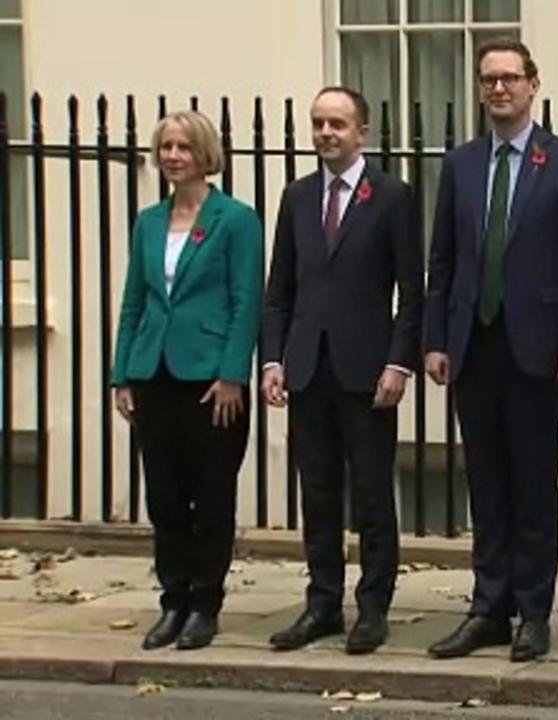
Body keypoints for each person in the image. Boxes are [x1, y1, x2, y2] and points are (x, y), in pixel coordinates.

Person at [423, 38, 558, 663]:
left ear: (533, 84)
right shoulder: (463, 163)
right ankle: (487, 606)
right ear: (479, 89)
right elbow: (442, 258)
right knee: (487, 483)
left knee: (532, 482)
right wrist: (436, 339)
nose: (499, 88)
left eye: (510, 78)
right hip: (473, 343)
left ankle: (533, 610)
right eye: (489, 79)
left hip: (539, 347)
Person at [261, 86, 424, 656]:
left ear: (363, 132)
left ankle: (374, 605)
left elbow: (412, 290)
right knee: (320, 492)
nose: (326, 133)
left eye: (338, 124)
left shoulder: (392, 197)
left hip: (367, 370)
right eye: (318, 124)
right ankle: (322, 603)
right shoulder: (298, 197)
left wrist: (399, 362)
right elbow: (279, 289)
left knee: (373, 494)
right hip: (308, 367)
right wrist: (274, 359)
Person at [112, 110, 263, 651]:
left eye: (183, 146)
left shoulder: (236, 220)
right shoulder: (149, 222)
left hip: (209, 380)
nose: (173, 156)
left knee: (212, 495)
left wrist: (231, 375)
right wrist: (121, 373)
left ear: (205, 154)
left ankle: (205, 602)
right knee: (165, 497)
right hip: (154, 374)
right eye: (166, 147)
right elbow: (134, 299)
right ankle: (172, 600)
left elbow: (246, 302)